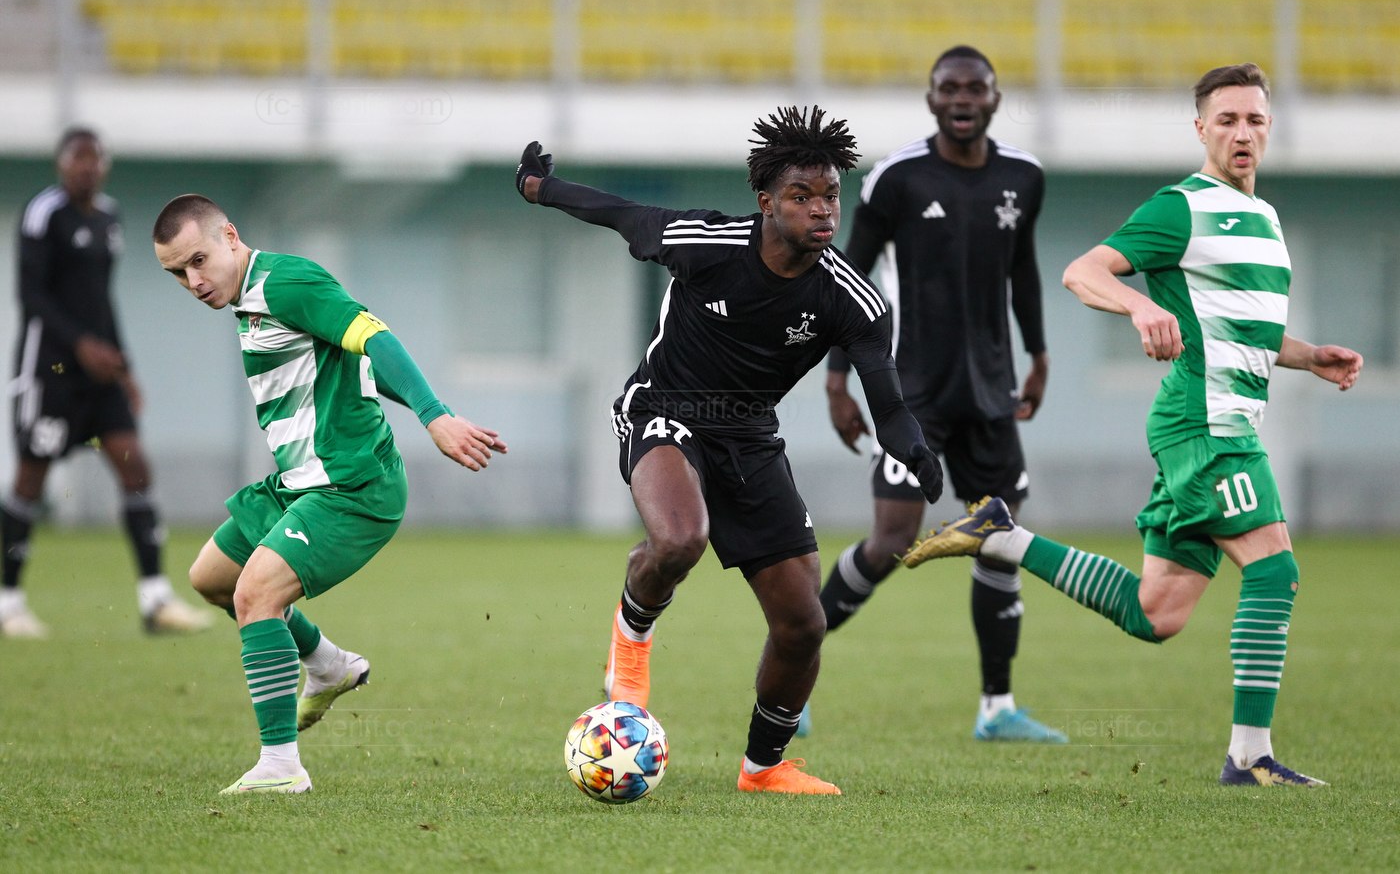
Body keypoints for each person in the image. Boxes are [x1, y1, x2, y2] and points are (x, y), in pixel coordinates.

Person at [902, 63, 1362, 787]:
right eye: (1227, 120)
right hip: (1207, 426)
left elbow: (1236, 327)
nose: (1242, 132)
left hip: (1210, 423)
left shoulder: (1267, 220)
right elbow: (1083, 271)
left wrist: (1308, 357)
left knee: (1158, 613)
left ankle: (1000, 535)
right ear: (1201, 129)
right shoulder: (1182, 207)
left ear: (1270, 127)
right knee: (1275, 570)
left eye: (1254, 119)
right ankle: (1250, 756)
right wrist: (1141, 305)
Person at [515, 106, 943, 795]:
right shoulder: (706, 242)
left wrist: (914, 449)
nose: (822, 209)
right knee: (681, 539)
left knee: (803, 623)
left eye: (831, 195)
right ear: (766, 202)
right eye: (802, 196)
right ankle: (631, 640)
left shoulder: (852, 298)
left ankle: (763, 767)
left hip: (749, 438)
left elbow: (887, 405)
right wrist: (542, 189)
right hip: (663, 408)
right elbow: (623, 214)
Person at [152, 194, 507, 794]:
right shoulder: (247, 300)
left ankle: (281, 766)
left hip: (351, 486)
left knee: (255, 595)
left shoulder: (286, 282)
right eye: (177, 273)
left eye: (198, 261)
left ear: (230, 236)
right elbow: (358, 367)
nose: (193, 281)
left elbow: (376, 340)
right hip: (298, 484)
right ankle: (327, 664)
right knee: (211, 578)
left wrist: (435, 415)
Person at [811, 45, 1062, 742]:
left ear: (994, 99)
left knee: (1000, 540)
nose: (962, 99)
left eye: (975, 88)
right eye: (949, 88)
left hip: (990, 393)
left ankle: (997, 708)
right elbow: (847, 276)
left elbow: (1024, 271)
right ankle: (791, 673)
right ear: (931, 100)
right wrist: (836, 380)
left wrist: (1039, 355)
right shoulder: (895, 179)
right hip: (911, 394)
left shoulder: (1024, 177)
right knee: (891, 541)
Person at [1, 127, 210, 638]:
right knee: (30, 479)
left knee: (134, 466)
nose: (86, 167)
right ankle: (8, 603)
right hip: (49, 370)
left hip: (100, 373)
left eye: (94, 159)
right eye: (77, 158)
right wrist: (80, 346)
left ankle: (156, 600)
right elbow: (31, 295)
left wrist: (125, 367)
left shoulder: (110, 217)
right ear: (61, 163)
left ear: (105, 165)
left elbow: (101, 299)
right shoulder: (43, 213)